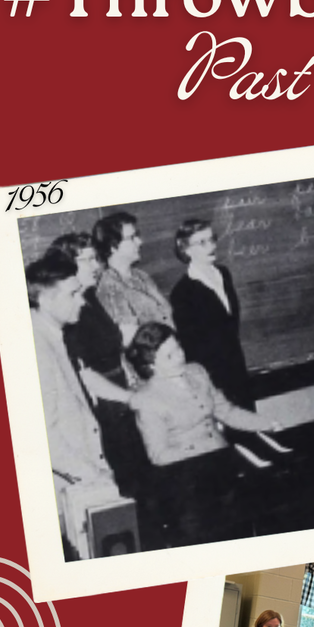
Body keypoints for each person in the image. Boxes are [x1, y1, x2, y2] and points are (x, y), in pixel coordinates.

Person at [125, 322, 272, 546]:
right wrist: (202, 452)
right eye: (169, 356)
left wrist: (264, 423)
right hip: (188, 484)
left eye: (179, 348)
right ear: (151, 364)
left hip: (225, 469)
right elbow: (158, 454)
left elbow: (226, 411)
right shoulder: (146, 398)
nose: (180, 357)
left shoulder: (197, 372)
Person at [54, 233, 150, 502]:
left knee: (139, 480)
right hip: (106, 408)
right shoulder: (71, 312)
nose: (97, 265)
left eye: (95, 258)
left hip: (119, 398)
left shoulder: (90, 299)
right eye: (87, 260)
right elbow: (84, 375)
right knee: (127, 486)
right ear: (68, 265)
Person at [26, 251, 116, 535]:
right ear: (44, 299)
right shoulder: (36, 346)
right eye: (73, 294)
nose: (82, 300)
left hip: (78, 479)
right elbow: (45, 434)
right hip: (67, 486)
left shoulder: (52, 333)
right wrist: (94, 475)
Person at [169, 220, 253, 410]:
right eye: (202, 243)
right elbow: (192, 348)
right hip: (213, 381)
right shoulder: (183, 292)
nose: (212, 246)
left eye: (212, 239)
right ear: (186, 250)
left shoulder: (223, 274)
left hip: (238, 371)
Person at [94, 211, 172, 342]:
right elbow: (130, 341)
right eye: (132, 237)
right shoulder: (110, 289)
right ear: (113, 246)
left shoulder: (141, 276)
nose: (139, 242)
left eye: (138, 235)